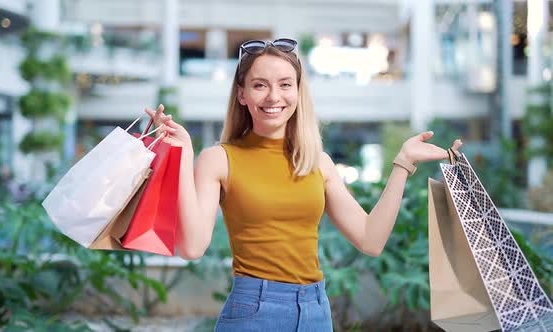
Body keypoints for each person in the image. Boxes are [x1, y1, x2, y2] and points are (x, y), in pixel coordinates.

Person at [145, 38, 463, 332]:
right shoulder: (219, 159)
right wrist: (183, 154)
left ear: (298, 91)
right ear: (241, 94)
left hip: (315, 310)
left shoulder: (317, 162)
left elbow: (371, 240)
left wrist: (403, 163)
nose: (274, 96)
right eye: (259, 85)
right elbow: (192, 247)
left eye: (285, 85)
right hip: (255, 311)